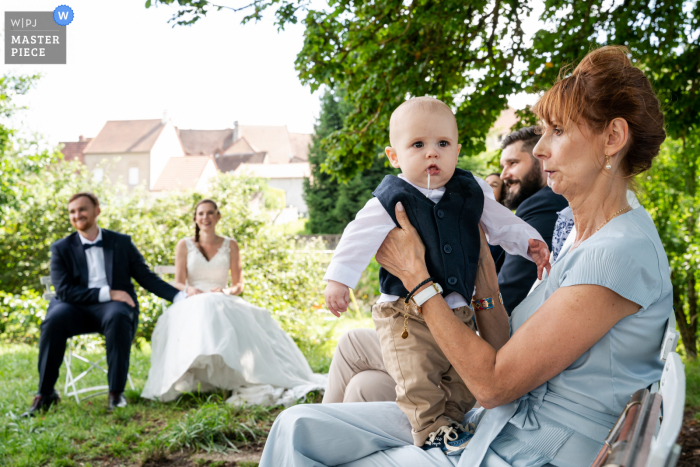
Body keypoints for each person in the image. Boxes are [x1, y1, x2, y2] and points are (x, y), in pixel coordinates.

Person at [260, 45, 670, 466]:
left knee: (307, 440)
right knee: (297, 425)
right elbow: (512, 352)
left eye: (558, 131)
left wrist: (417, 280)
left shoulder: (617, 253)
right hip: (497, 424)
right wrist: (485, 283)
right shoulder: (581, 237)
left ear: (613, 138)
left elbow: (493, 384)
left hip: (526, 449)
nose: (540, 149)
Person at [324, 96, 551, 454]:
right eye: (418, 145)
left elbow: (501, 222)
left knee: (461, 377)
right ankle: (430, 428)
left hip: (458, 314)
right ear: (394, 156)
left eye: (442, 144)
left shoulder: (470, 188)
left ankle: (453, 421)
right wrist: (339, 280)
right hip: (405, 314)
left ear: (457, 150)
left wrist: (529, 242)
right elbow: (358, 235)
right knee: (418, 376)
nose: (432, 153)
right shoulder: (392, 196)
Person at [141, 199, 326, 405]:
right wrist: (188, 289)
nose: (205, 218)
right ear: (195, 218)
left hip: (222, 297)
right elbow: (177, 282)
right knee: (203, 306)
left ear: (218, 216)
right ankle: (192, 373)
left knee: (218, 306)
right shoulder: (184, 245)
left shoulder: (231, 245)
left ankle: (238, 374)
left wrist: (226, 290)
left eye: (210, 213)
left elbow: (239, 285)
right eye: (201, 214)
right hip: (193, 299)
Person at [22, 193, 185, 417]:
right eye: (72, 211)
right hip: (74, 305)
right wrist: (110, 292)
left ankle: (116, 394)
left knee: (119, 317)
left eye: (82, 209)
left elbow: (145, 277)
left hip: (113, 308)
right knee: (53, 321)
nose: (77, 215)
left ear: (97, 210)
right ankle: (45, 394)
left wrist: (178, 296)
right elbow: (64, 291)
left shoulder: (121, 242)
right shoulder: (61, 247)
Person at [498, 127, 569, 314]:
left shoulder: (542, 204)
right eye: (502, 167)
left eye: (512, 163)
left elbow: (510, 294)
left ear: (543, 160)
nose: (503, 175)